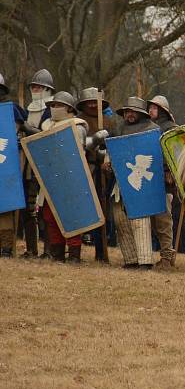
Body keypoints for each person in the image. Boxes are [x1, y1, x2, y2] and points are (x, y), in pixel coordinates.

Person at [38, 92, 107, 262]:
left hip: (71, 179)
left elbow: (78, 148)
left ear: (69, 108)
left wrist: (96, 139)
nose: (54, 108)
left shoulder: (78, 125)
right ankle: (57, 253)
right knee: (51, 216)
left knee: (73, 216)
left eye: (58, 105)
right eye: (52, 105)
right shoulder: (46, 124)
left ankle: (74, 255)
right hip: (51, 179)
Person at [107, 97, 160, 269]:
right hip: (120, 182)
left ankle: (145, 260)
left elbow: (158, 156)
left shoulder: (152, 131)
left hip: (143, 184)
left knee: (140, 220)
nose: (129, 114)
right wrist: (107, 162)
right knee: (120, 220)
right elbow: (112, 151)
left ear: (140, 113)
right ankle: (131, 260)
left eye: (133, 111)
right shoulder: (119, 130)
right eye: (126, 111)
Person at [19, 69, 55, 258]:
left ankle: (48, 250)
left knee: (45, 210)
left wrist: (27, 129)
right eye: (33, 86)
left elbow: (46, 135)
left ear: (48, 89)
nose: (35, 89)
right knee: (28, 208)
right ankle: (31, 249)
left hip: (45, 166)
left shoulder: (52, 111)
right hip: (28, 166)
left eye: (39, 86)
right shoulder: (26, 112)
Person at [76, 87, 115, 261]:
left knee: (103, 210)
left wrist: (105, 155)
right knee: (83, 208)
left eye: (95, 102)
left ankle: (101, 252)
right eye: (89, 102)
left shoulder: (108, 122)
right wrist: (94, 142)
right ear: (83, 104)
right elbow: (77, 146)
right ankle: (76, 250)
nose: (92, 105)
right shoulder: (78, 121)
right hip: (85, 168)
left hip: (104, 171)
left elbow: (114, 145)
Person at [146, 95, 177, 269]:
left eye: (154, 108)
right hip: (149, 179)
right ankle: (165, 255)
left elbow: (176, 154)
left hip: (165, 182)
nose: (151, 111)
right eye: (149, 108)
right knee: (152, 222)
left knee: (164, 221)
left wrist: (169, 171)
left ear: (163, 110)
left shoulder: (172, 129)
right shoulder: (146, 128)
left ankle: (166, 257)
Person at [0, 73, 27, 257]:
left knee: (6, 207)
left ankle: (6, 247)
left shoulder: (10, 111)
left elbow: (17, 131)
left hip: (6, 162)